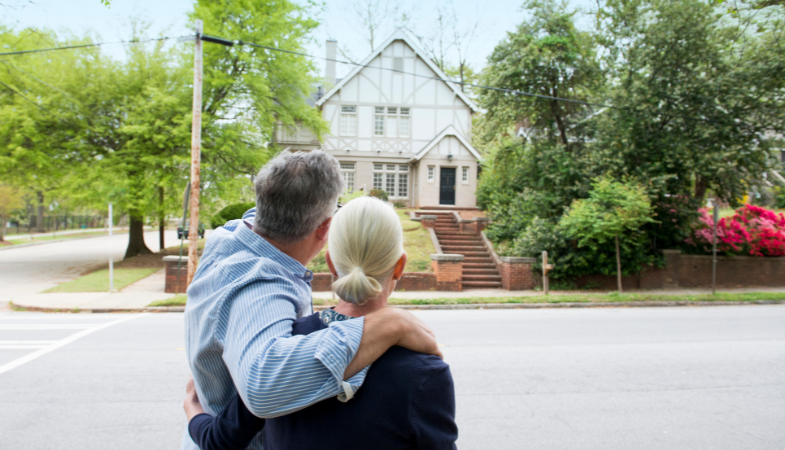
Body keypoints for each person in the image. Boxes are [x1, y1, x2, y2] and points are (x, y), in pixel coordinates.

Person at [182, 151, 442, 450]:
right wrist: (391, 323)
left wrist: (194, 416)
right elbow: (263, 389)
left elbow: (226, 432)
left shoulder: (233, 239)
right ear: (324, 228)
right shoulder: (261, 284)